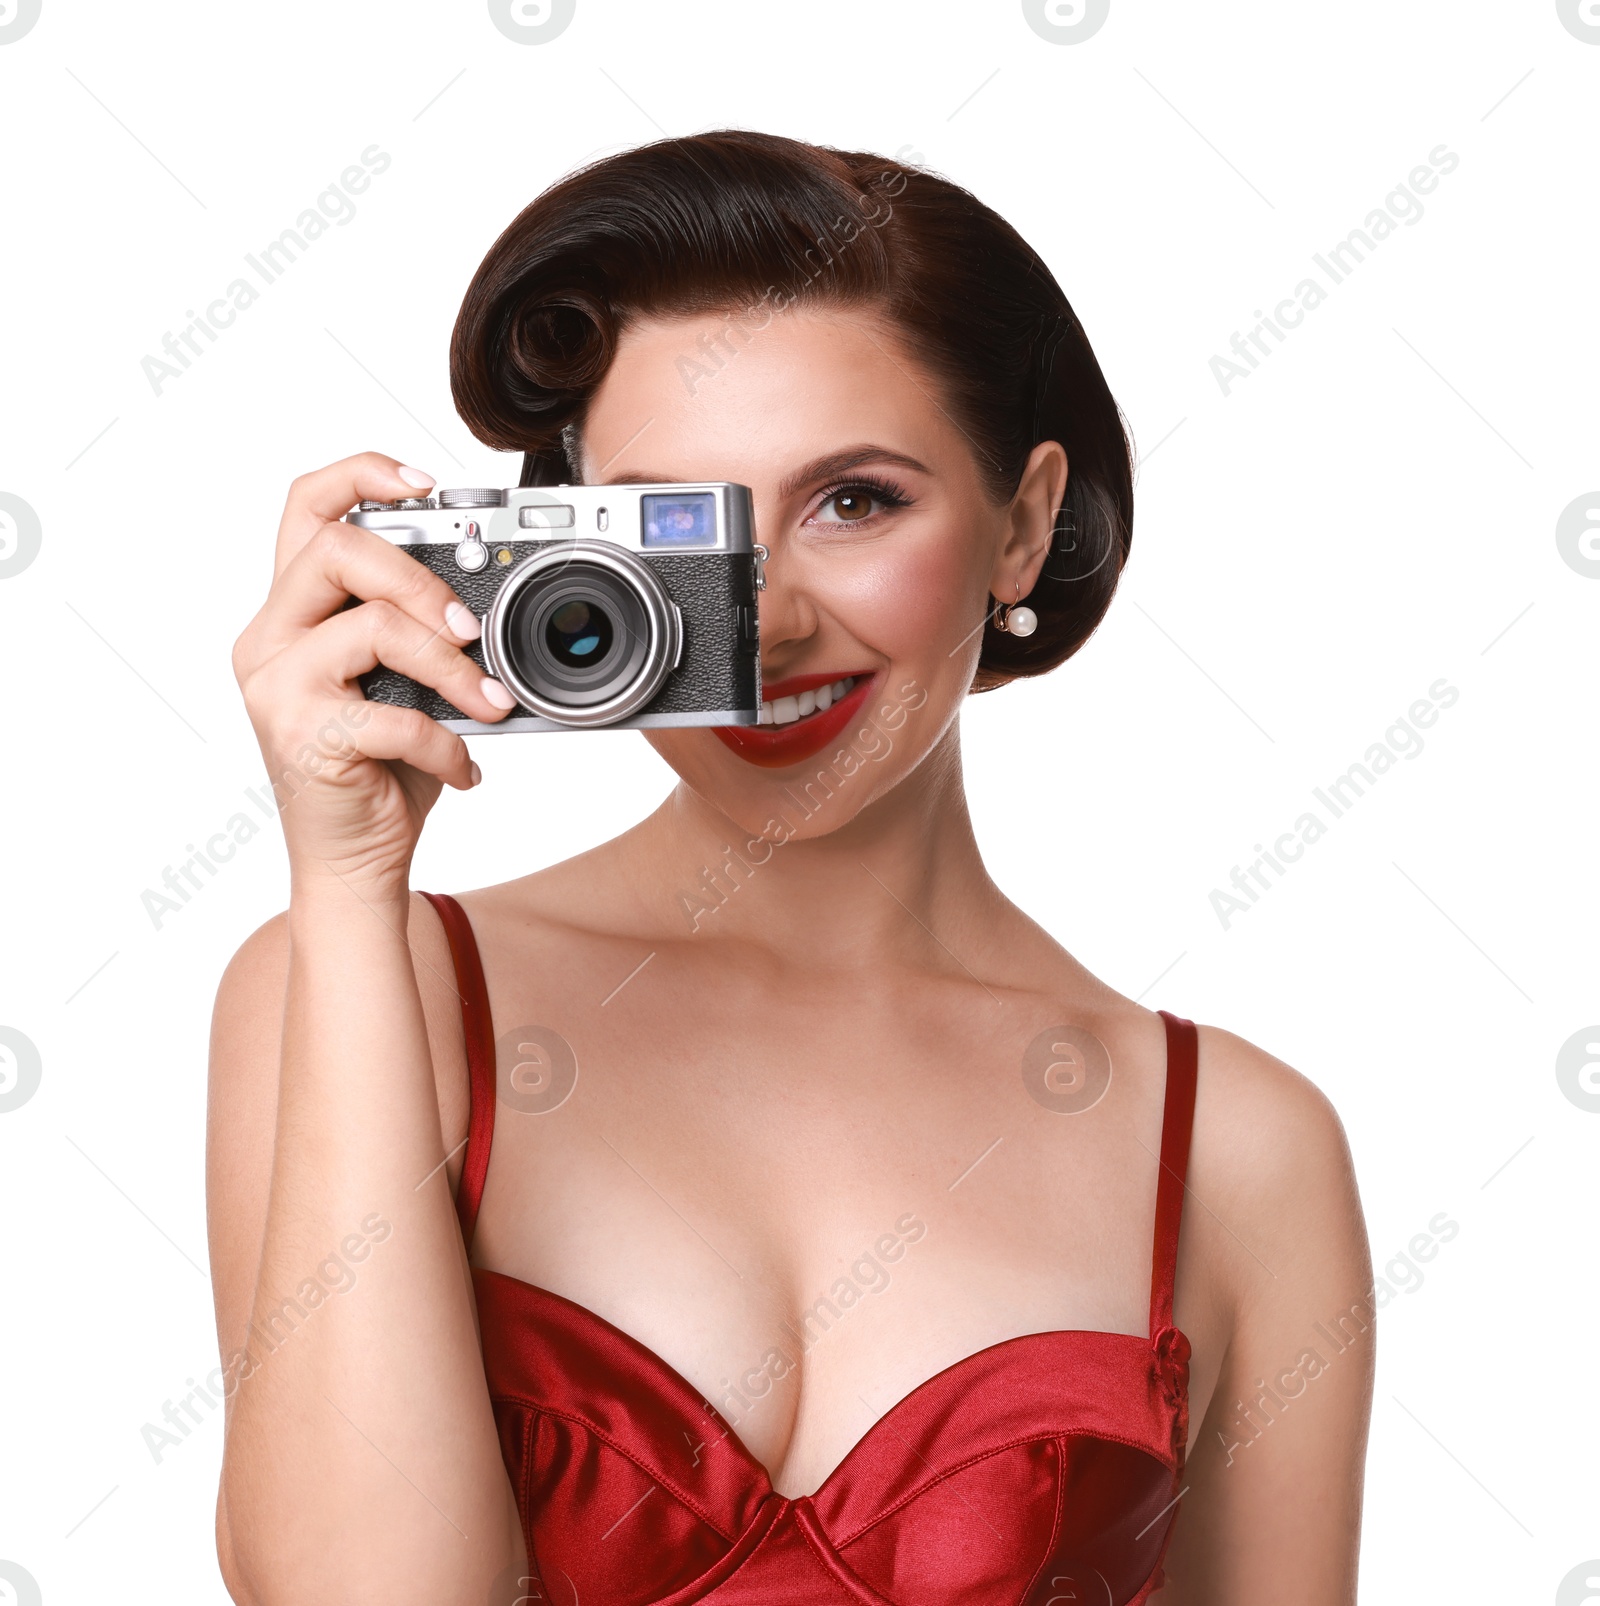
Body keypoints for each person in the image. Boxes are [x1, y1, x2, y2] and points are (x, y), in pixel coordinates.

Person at [207, 130, 1373, 1605]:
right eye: (675, 529)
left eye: (854, 500)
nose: (758, 627)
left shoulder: (1240, 1150)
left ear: (1020, 524)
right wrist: (348, 878)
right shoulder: (369, 986)